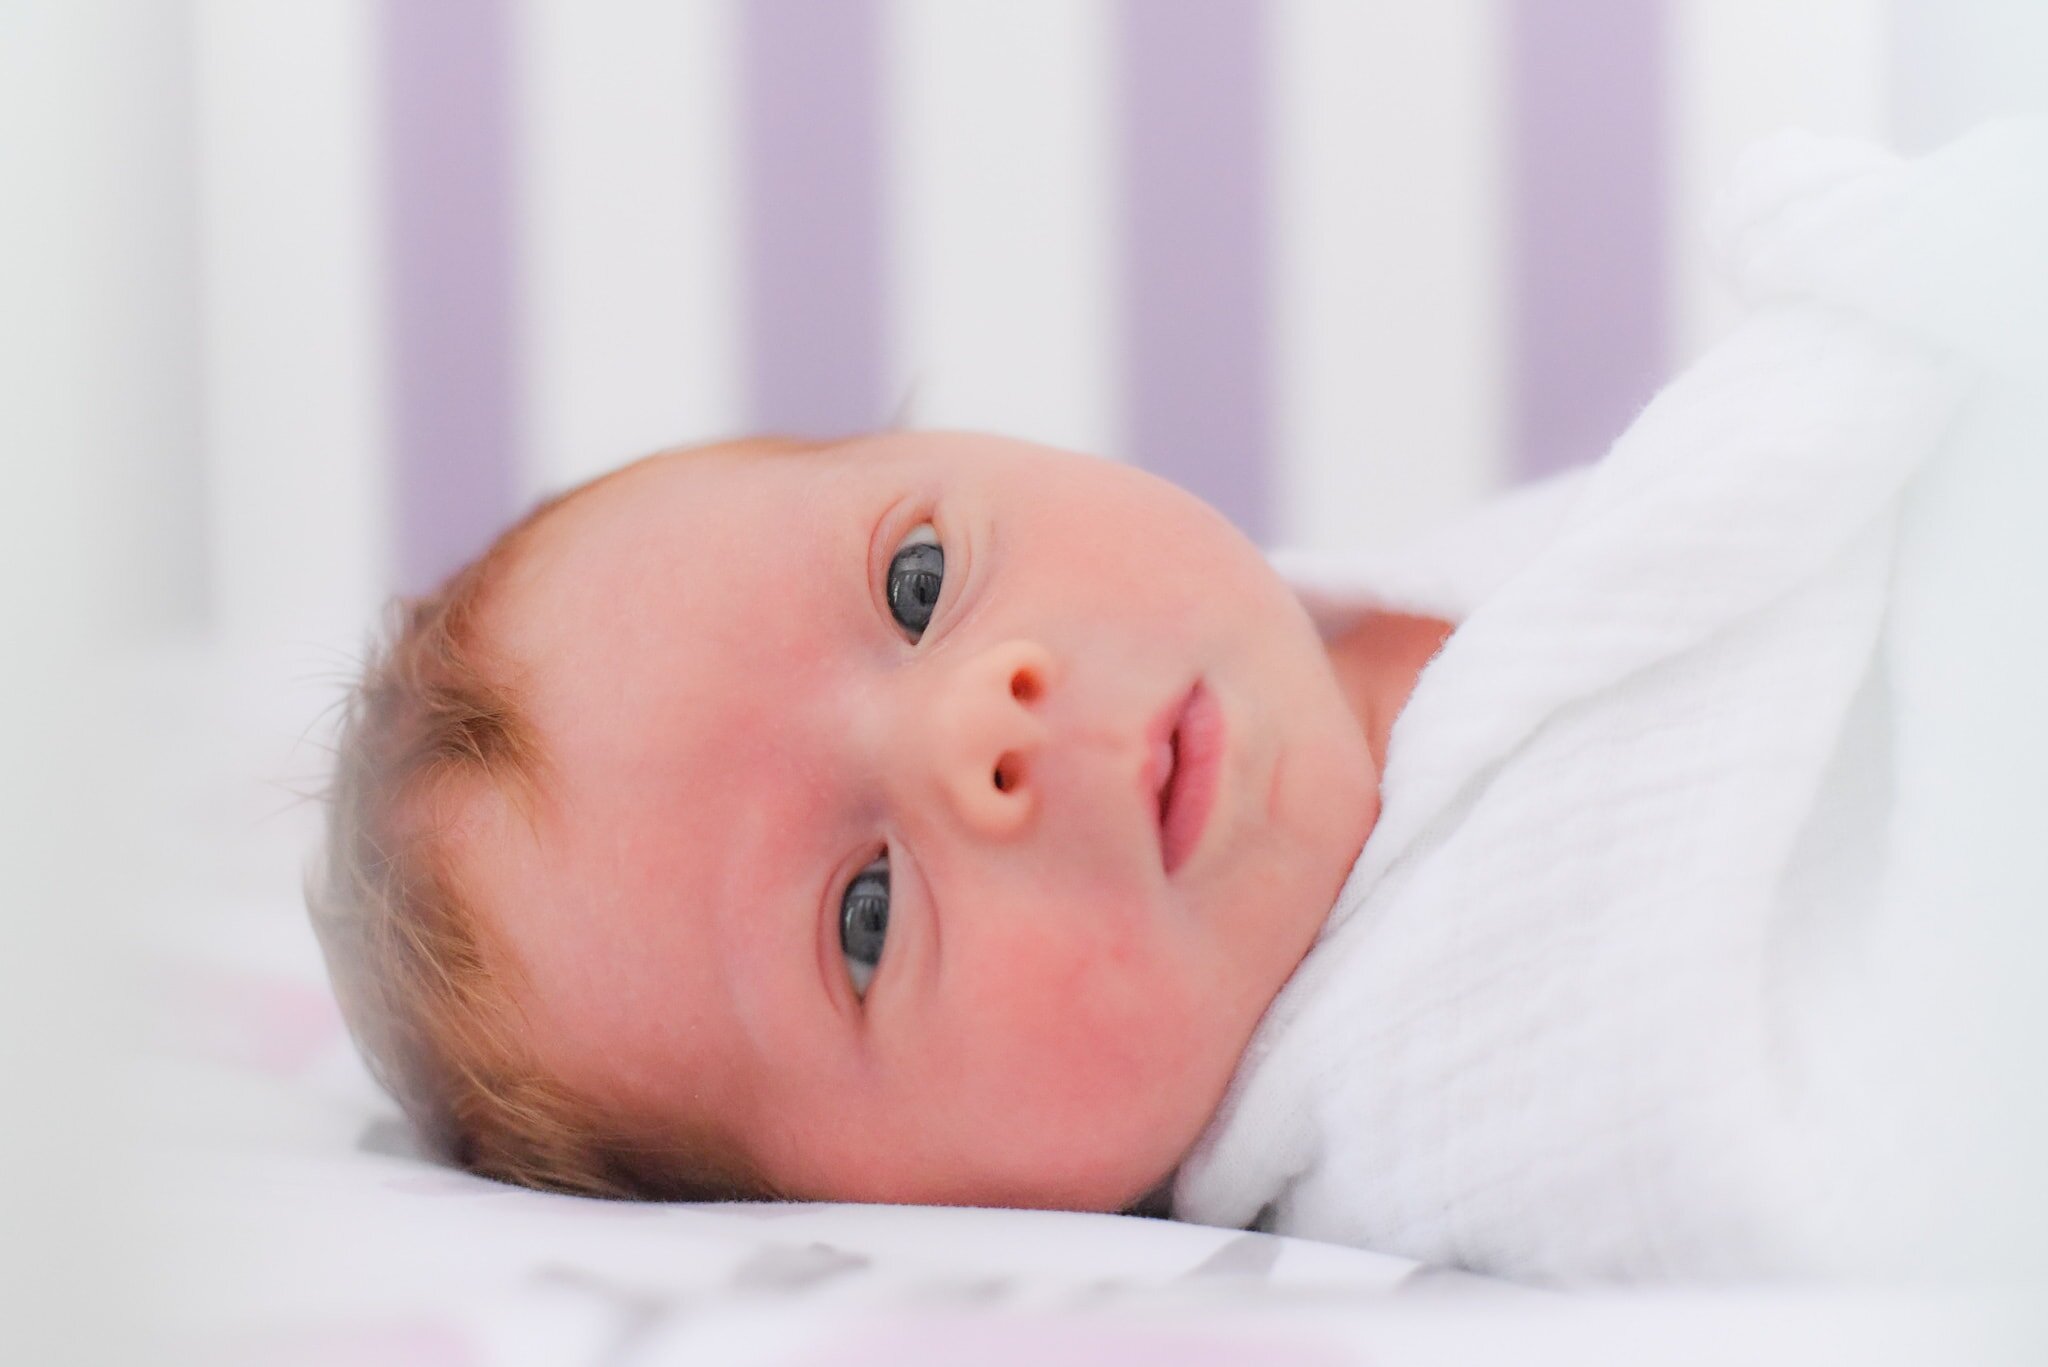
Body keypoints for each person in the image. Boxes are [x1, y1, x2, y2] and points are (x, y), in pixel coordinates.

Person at [312, 119, 2046, 1280]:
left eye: (917, 587)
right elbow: (1923, 1105)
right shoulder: (1477, 1075)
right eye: (860, 915)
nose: (977, 731)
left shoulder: (1424, 595)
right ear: (870, 1209)